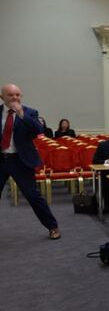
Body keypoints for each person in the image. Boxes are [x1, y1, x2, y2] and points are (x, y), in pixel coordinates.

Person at [0, 83, 60, 239]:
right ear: (2, 97)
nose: (14, 98)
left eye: (17, 95)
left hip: (20, 160)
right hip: (1, 159)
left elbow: (38, 131)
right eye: (10, 95)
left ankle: (52, 226)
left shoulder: (30, 112)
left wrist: (21, 114)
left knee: (32, 195)